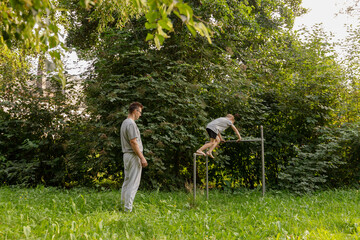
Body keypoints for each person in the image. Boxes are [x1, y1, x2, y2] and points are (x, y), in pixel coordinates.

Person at [120, 102, 148, 212]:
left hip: (127, 155)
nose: (140, 115)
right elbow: (133, 142)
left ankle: (123, 205)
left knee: (127, 182)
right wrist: (142, 157)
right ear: (135, 111)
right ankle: (127, 209)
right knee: (133, 183)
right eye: (140, 112)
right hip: (133, 155)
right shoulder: (131, 124)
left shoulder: (124, 123)